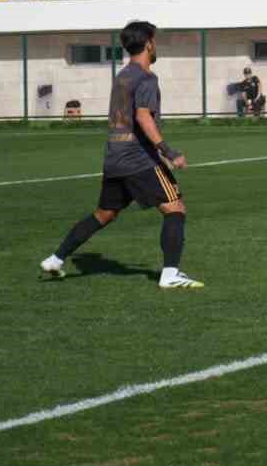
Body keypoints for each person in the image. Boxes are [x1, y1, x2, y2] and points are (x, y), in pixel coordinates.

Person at [39, 21, 203, 288]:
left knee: (105, 213)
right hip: (138, 157)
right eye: (155, 40)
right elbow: (142, 117)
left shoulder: (123, 75)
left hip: (114, 156)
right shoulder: (146, 77)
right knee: (175, 208)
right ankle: (170, 275)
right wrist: (168, 151)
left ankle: (56, 258)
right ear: (149, 43)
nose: (155, 45)